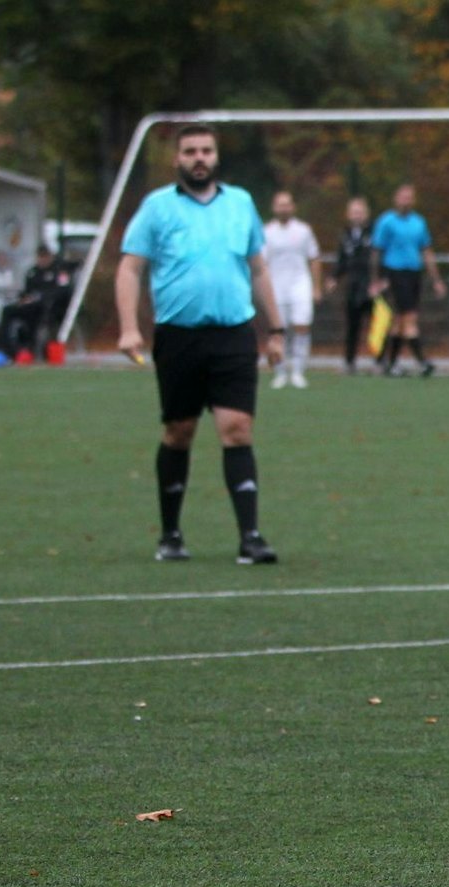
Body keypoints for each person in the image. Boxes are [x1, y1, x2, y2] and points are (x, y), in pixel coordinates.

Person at [114, 124, 283, 565]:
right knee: (179, 431)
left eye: (206, 149)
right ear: (178, 159)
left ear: (216, 156)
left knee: (237, 429)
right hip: (178, 338)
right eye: (190, 151)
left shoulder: (241, 203)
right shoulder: (157, 208)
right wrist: (129, 327)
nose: (199, 157)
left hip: (234, 334)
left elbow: (259, 268)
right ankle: (170, 534)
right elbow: (130, 269)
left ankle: (251, 537)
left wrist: (277, 329)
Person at [370, 183, 447, 376]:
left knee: (399, 321)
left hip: (414, 275)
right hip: (394, 273)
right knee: (409, 318)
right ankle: (422, 362)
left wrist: (436, 279)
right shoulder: (386, 221)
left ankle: (389, 363)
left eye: (409, 197)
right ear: (396, 199)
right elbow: (376, 251)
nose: (406, 200)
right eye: (402, 197)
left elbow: (426, 251)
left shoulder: (419, 222)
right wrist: (375, 279)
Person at [262, 191, 322, 389]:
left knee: (301, 325)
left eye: (287, 204)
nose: (283, 208)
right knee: (279, 330)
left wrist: (316, 287)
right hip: (276, 287)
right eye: (280, 205)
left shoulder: (303, 230)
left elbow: (314, 258)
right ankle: (280, 373)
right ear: (274, 208)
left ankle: (298, 371)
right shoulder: (267, 232)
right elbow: (261, 264)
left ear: (293, 207)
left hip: (300, 285)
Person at [327, 197, 375, 374]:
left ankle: (380, 360)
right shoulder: (345, 234)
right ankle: (350, 361)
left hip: (372, 285)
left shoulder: (375, 232)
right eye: (354, 212)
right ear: (348, 215)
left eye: (360, 212)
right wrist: (334, 277)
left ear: (366, 214)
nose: (357, 216)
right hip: (353, 285)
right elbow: (342, 260)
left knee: (378, 324)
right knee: (352, 325)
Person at [0, 245, 73, 356]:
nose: (42, 259)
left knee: (36, 317)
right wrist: (23, 298)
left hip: (49, 308)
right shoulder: (32, 272)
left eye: (44, 256)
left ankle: (33, 348)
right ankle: (7, 351)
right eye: (40, 256)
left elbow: (63, 291)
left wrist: (40, 297)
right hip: (29, 306)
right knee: (7, 311)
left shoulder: (59, 271)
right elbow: (26, 292)